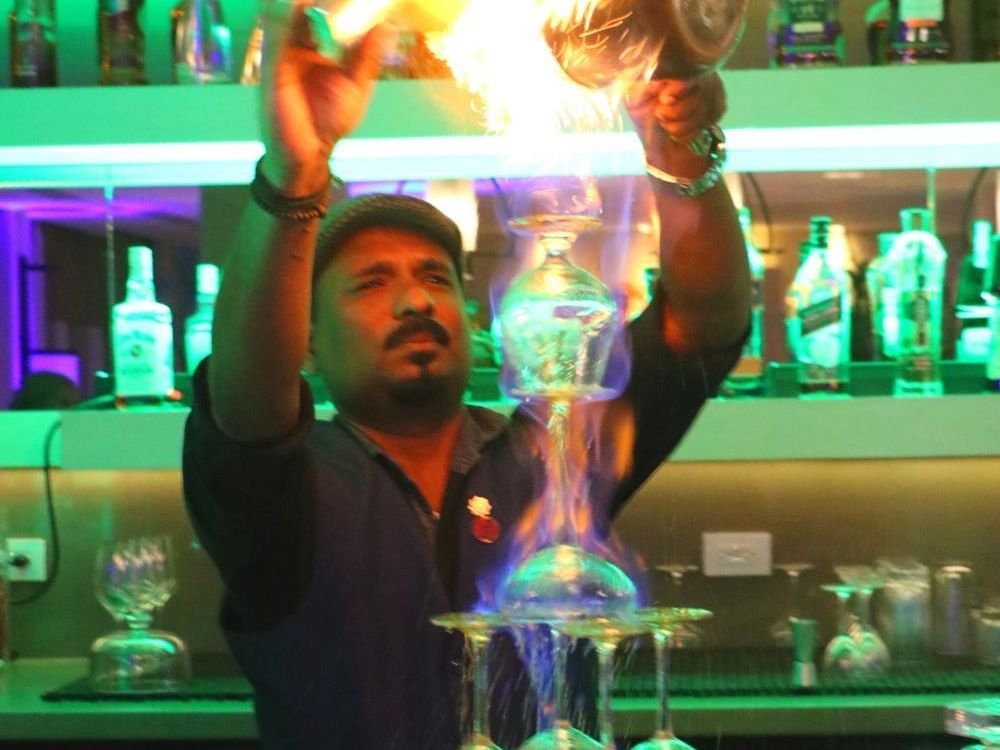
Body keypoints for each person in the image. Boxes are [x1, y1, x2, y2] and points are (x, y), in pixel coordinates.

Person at [182, 3, 751, 749]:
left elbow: (700, 328)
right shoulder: (287, 490)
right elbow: (246, 401)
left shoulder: (550, 453)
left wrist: (683, 156)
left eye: (434, 278)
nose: (415, 298)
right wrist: (294, 176)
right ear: (309, 345)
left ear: (474, 319)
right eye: (371, 283)